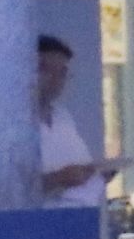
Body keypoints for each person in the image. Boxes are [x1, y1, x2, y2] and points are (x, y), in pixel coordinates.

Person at [33, 34, 105, 207]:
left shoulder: (63, 117)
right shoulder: (10, 126)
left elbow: (82, 167)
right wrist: (57, 179)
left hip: (77, 214)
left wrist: (96, 174)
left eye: (62, 73)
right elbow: (5, 188)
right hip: (36, 217)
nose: (55, 79)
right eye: (46, 70)